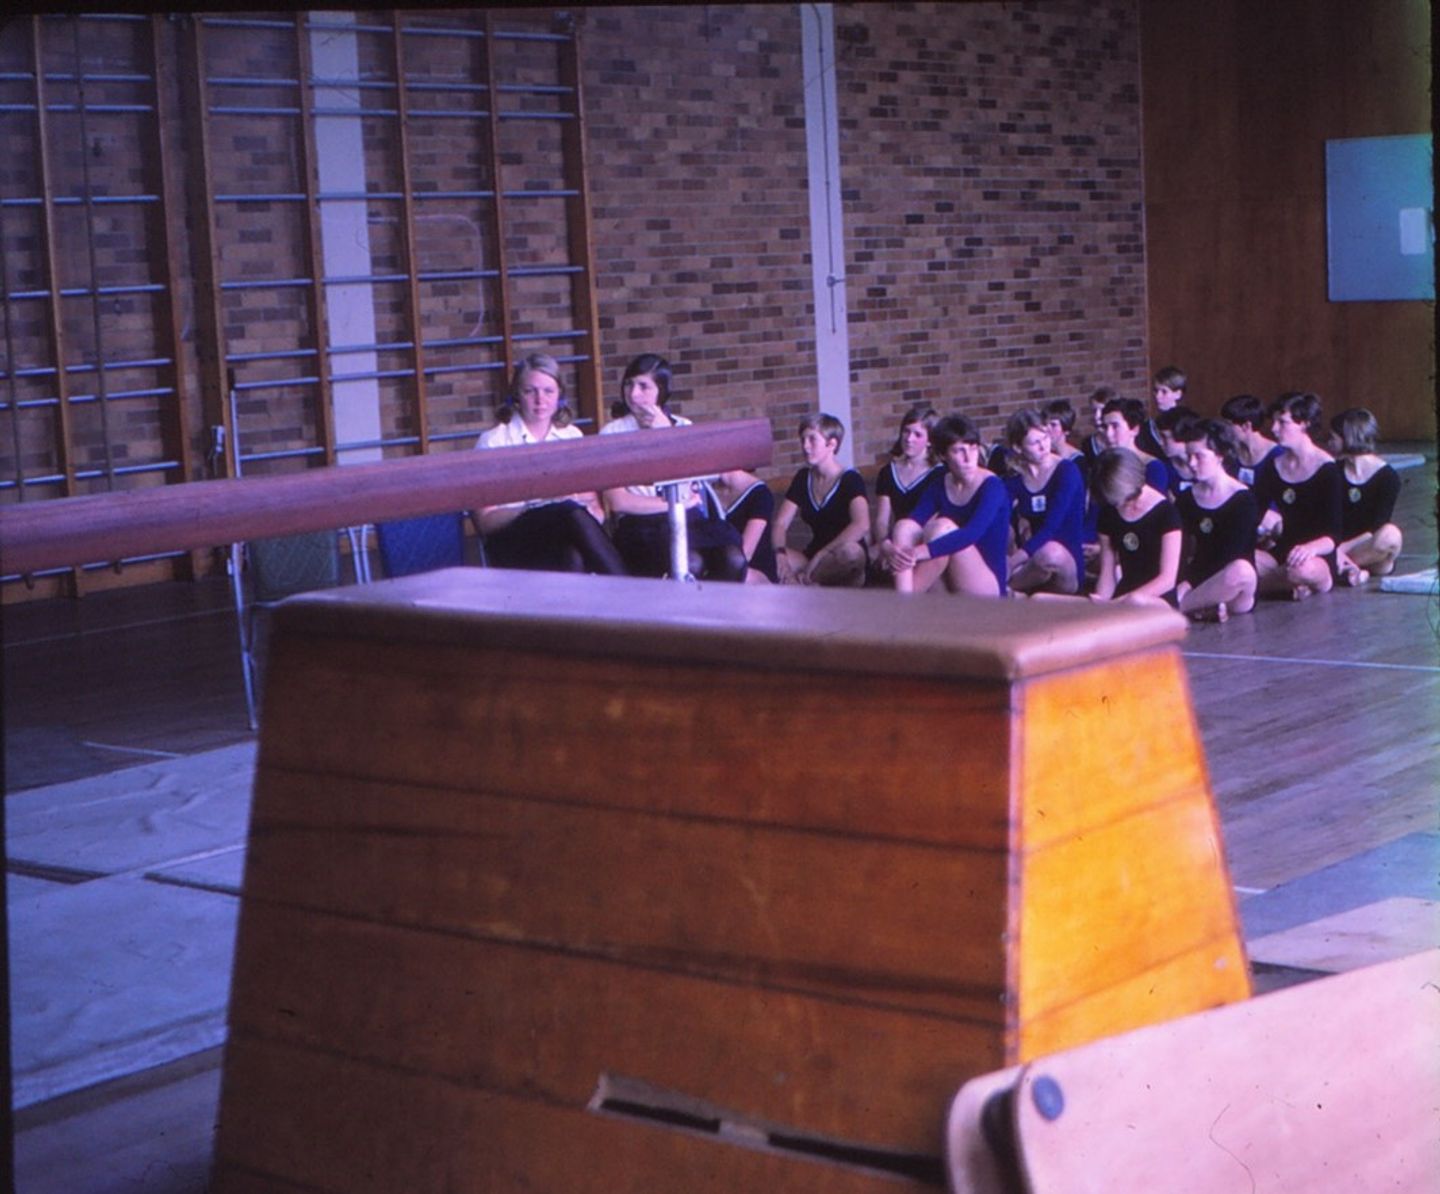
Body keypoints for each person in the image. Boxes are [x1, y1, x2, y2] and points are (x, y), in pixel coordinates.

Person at [473, 353, 627, 575]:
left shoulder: (572, 436)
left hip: (564, 534)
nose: (540, 400)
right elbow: (485, 522)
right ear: (517, 394)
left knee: (571, 554)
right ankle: (629, 592)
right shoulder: (494, 441)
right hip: (513, 543)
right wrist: (535, 506)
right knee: (566, 512)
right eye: (530, 391)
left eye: (548, 391)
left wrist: (571, 507)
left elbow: (596, 510)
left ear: (559, 396)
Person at [599, 353, 746, 581]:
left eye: (643, 386)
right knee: (691, 563)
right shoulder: (612, 432)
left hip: (687, 518)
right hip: (641, 524)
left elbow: (694, 481)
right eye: (629, 384)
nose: (633, 393)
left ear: (661, 390)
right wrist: (674, 504)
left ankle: (717, 615)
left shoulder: (683, 426)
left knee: (733, 559)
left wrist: (666, 433)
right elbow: (618, 502)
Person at [880, 414, 1010, 596]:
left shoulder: (992, 486)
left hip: (987, 586)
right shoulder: (940, 484)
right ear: (943, 456)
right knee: (904, 527)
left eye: (973, 449)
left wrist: (917, 553)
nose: (968, 458)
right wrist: (888, 547)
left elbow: (972, 533)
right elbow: (913, 522)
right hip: (947, 579)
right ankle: (904, 598)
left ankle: (903, 606)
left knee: (941, 528)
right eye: (958, 451)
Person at [1252, 391, 1343, 601]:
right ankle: (1286, 588)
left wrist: (1310, 548)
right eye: (1274, 422)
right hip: (1285, 548)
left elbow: (1334, 535)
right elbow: (1255, 510)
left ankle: (1286, 584)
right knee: (1241, 564)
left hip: (1315, 553)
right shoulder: (1274, 466)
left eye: (1282, 423)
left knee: (1300, 570)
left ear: (1304, 424)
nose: (1274, 429)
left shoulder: (1327, 469)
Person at [1172, 418, 1258, 621]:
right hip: (1197, 578)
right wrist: (1182, 580)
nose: (1192, 464)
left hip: (1230, 583)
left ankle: (1177, 609)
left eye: (1199, 457)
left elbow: (1230, 555)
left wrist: (1190, 584)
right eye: (1189, 456)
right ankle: (1201, 607)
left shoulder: (1242, 499)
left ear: (1220, 455)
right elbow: (1181, 550)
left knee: (1241, 570)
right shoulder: (1186, 499)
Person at [771, 412, 870, 586]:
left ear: (832, 444)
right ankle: (807, 583)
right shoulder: (803, 478)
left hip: (839, 554)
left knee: (851, 553)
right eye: (803, 440)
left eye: (812, 440)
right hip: (812, 555)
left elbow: (861, 524)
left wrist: (822, 554)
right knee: (768, 555)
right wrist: (780, 554)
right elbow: (780, 523)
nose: (805, 447)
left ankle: (804, 584)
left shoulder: (850, 479)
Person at [1003, 409, 1085, 595]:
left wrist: (1012, 562)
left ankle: (1004, 589)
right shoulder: (1015, 478)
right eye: (1034, 442)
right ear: (1018, 447)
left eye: (1046, 438)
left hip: (1064, 559)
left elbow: (1051, 528)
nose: (1044, 446)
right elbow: (1000, 515)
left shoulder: (1066, 471)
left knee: (1050, 552)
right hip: (1031, 561)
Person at [1089, 447, 1182, 605]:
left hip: (1158, 599)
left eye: (1127, 500)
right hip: (1125, 593)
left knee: (1136, 601)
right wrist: (1101, 601)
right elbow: (1107, 573)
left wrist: (1125, 600)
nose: (1123, 506)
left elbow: (1167, 579)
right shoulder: (1108, 512)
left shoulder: (1166, 513)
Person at [1329, 407, 1403, 585]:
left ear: (1347, 438)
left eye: (1333, 438)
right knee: (1381, 566)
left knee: (1391, 535)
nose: (1328, 443)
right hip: (1338, 545)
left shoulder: (1388, 477)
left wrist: (1341, 550)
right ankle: (1353, 570)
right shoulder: (1333, 472)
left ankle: (1345, 567)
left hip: (1365, 545)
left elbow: (1377, 525)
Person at [870, 405, 943, 582]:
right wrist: (885, 544)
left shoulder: (940, 473)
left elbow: (935, 520)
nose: (909, 439)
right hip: (896, 539)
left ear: (930, 440)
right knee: (872, 556)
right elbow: (881, 520)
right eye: (906, 432)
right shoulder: (888, 472)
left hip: (924, 539)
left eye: (917, 435)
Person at [702, 469, 777, 583]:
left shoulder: (760, 494)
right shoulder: (707, 491)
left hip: (755, 571)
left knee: (735, 564)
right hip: (720, 567)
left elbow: (746, 554)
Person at [1098, 396, 1171, 494]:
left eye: (1115, 426)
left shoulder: (1153, 468)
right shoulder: (1103, 465)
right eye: (1105, 427)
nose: (1108, 434)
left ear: (1134, 429)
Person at [1220, 393, 1283, 486]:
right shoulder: (1231, 454)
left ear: (1246, 426)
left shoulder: (1277, 455)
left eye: (1228, 424)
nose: (1225, 429)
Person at [1139, 364, 1186, 458]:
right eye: (1155, 391)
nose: (1157, 396)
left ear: (1178, 394)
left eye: (1164, 392)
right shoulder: (1147, 426)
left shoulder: (1186, 424)